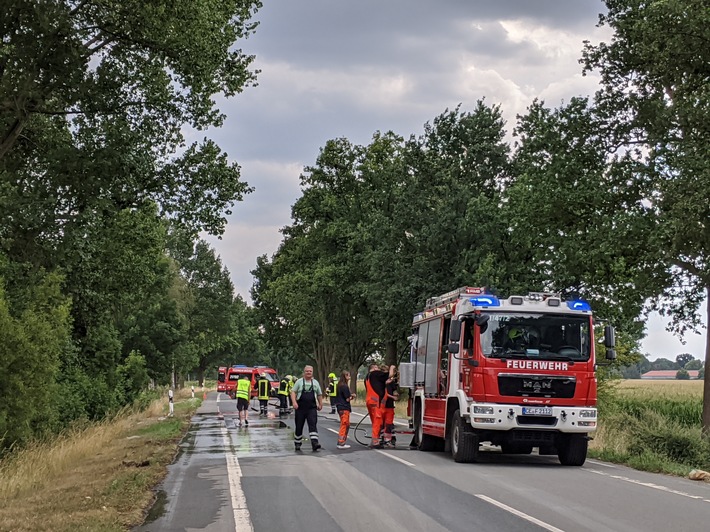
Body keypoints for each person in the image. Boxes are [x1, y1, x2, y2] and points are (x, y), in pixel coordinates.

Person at [290, 365, 323, 452]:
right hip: (300, 408)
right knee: (299, 426)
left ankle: (315, 443)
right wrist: (294, 402)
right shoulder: (299, 382)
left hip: (311, 408)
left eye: (310, 371)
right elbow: (293, 392)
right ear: (304, 372)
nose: (308, 372)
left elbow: (319, 394)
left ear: (312, 372)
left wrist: (320, 404)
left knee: (313, 425)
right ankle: (297, 443)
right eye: (307, 371)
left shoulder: (315, 383)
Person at [364, 363, 392, 449]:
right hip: (375, 401)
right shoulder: (375, 373)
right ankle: (375, 441)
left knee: (374, 421)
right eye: (377, 368)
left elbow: (377, 384)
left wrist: (385, 382)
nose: (378, 369)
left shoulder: (367, 377)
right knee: (378, 421)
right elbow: (388, 374)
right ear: (374, 368)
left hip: (369, 401)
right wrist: (392, 367)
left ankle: (374, 439)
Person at [335, 370, 356, 449]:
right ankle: (341, 442)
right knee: (345, 424)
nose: (349, 377)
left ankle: (341, 441)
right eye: (348, 376)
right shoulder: (344, 386)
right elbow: (347, 398)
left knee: (345, 424)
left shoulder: (339, 385)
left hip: (339, 407)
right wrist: (353, 396)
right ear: (345, 376)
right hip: (344, 407)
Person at [382, 366, 399, 447]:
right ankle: (382, 439)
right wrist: (392, 396)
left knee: (389, 424)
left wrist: (395, 394)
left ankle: (389, 440)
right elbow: (384, 394)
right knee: (381, 423)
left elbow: (394, 391)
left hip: (390, 406)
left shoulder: (391, 382)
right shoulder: (380, 382)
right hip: (382, 405)